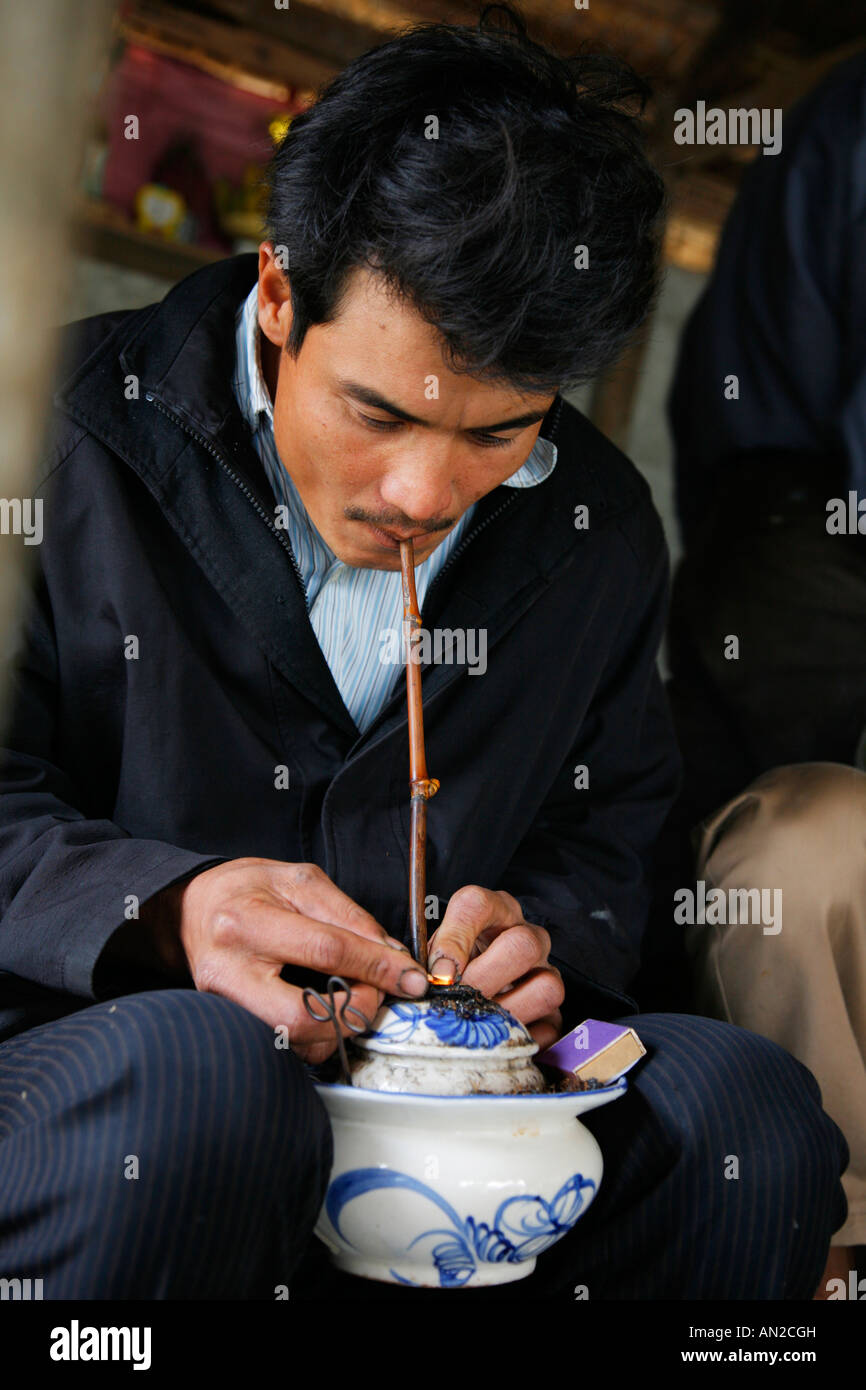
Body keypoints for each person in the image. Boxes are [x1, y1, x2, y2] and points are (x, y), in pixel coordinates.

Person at [0, 8, 847, 1300]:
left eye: (498, 433)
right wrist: (165, 909)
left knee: (749, 1118)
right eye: (376, 410)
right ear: (279, 292)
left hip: (433, 1117)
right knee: (201, 1090)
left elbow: (607, 839)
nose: (422, 487)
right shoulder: (56, 440)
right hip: (103, 1076)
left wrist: (542, 939)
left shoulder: (596, 530)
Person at [666, 52, 866, 1288]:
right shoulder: (851, 123)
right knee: (792, 850)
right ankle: (822, 1249)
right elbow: (742, 439)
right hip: (809, 544)